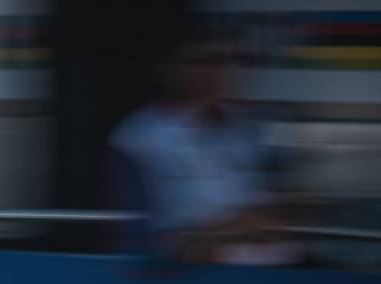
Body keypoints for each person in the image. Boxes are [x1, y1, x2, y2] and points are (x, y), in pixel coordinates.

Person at [108, 39, 303, 266]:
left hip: (275, 267)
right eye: (203, 62)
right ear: (170, 68)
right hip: (189, 273)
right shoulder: (140, 136)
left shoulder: (250, 129)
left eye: (228, 61)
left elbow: (278, 206)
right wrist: (232, 227)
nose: (218, 70)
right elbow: (139, 234)